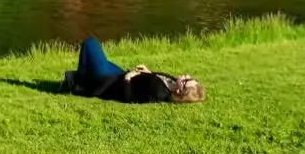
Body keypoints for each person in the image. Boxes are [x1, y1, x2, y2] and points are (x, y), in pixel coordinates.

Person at [61, 36, 205, 104]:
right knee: (97, 58)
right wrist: (149, 72)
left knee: (90, 43)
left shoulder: (159, 92)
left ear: (180, 91)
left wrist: (128, 78)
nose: (186, 75)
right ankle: (80, 81)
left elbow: (129, 98)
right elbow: (153, 79)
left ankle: (78, 83)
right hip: (118, 74)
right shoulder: (172, 82)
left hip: (112, 82)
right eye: (190, 77)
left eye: (186, 80)